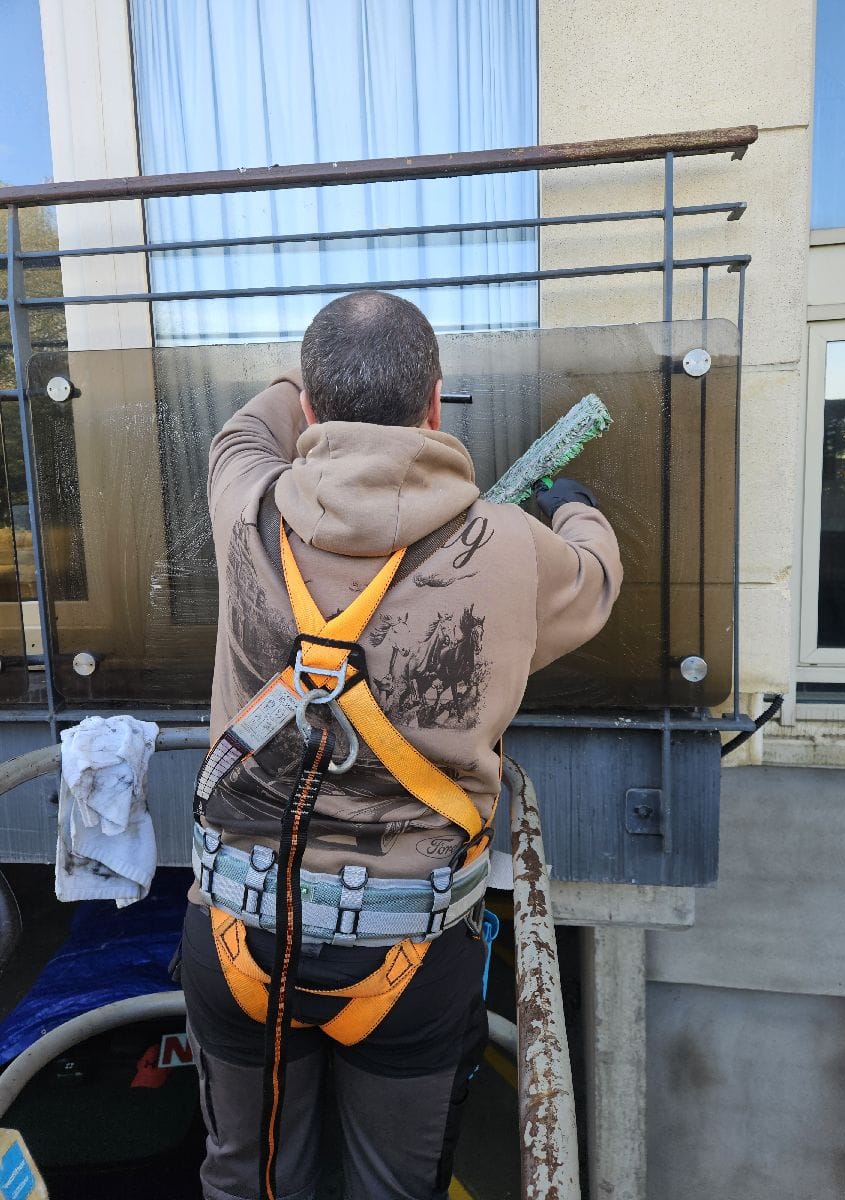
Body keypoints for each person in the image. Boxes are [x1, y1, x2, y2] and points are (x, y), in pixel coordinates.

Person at [180, 290, 622, 1200]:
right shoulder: (506, 547)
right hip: (409, 951)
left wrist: (305, 378)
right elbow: (598, 580)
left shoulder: (244, 504)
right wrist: (573, 506)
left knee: (247, 1183)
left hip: (235, 930)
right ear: (435, 403)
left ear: (310, 410)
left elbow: (242, 429)